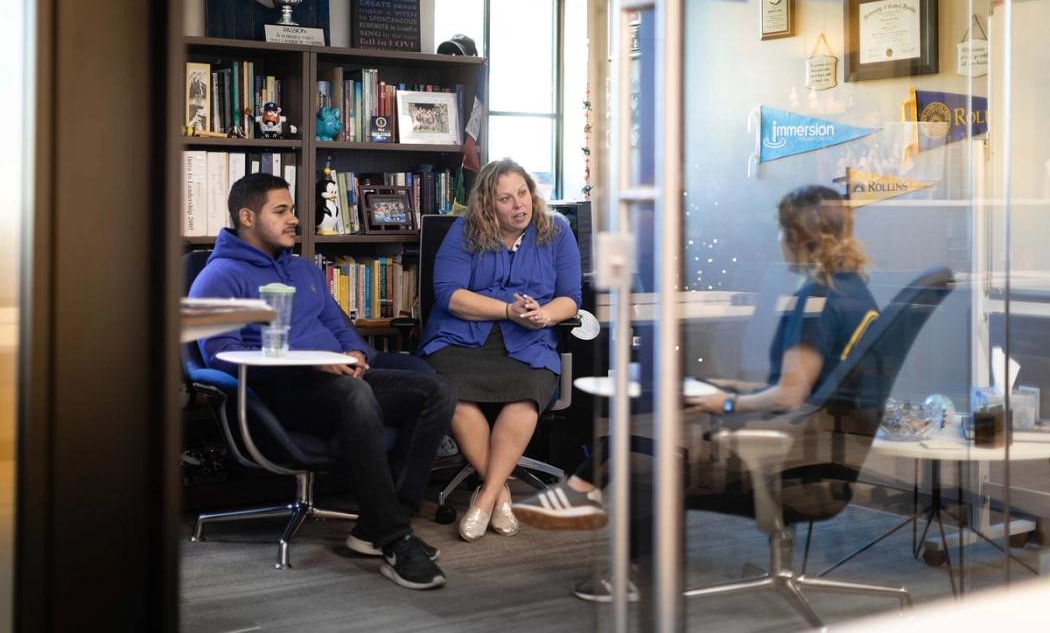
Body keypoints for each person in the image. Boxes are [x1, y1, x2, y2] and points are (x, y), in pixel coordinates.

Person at [512, 184, 878, 601]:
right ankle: (579, 495)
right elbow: (809, 385)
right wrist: (732, 390)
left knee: (643, 459)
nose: (779, 240)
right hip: (822, 441)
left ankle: (619, 557)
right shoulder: (852, 290)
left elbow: (790, 395)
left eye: (782, 230)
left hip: (797, 455)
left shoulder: (816, 301)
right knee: (641, 439)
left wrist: (725, 401)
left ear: (799, 236)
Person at [189, 172, 456, 591]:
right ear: (246, 217)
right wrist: (306, 364)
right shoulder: (219, 277)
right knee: (354, 394)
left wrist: (356, 353)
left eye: (292, 210)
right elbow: (220, 358)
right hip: (279, 396)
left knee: (435, 391)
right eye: (281, 211)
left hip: (338, 382)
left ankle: (381, 525)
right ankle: (395, 540)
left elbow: (339, 324)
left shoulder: (303, 269)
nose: (294, 219)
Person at [419, 158, 582, 542]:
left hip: (530, 339)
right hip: (461, 336)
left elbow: (571, 299)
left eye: (523, 194)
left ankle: (483, 499)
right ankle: (500, 494)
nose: (519, 205)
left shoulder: (556, 231)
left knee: (525, 397)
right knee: (452, 394)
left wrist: (543, 315)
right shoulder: (465, 231)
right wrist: (508, 310)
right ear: (488, 205)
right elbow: (450, 296)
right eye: (506, 199)